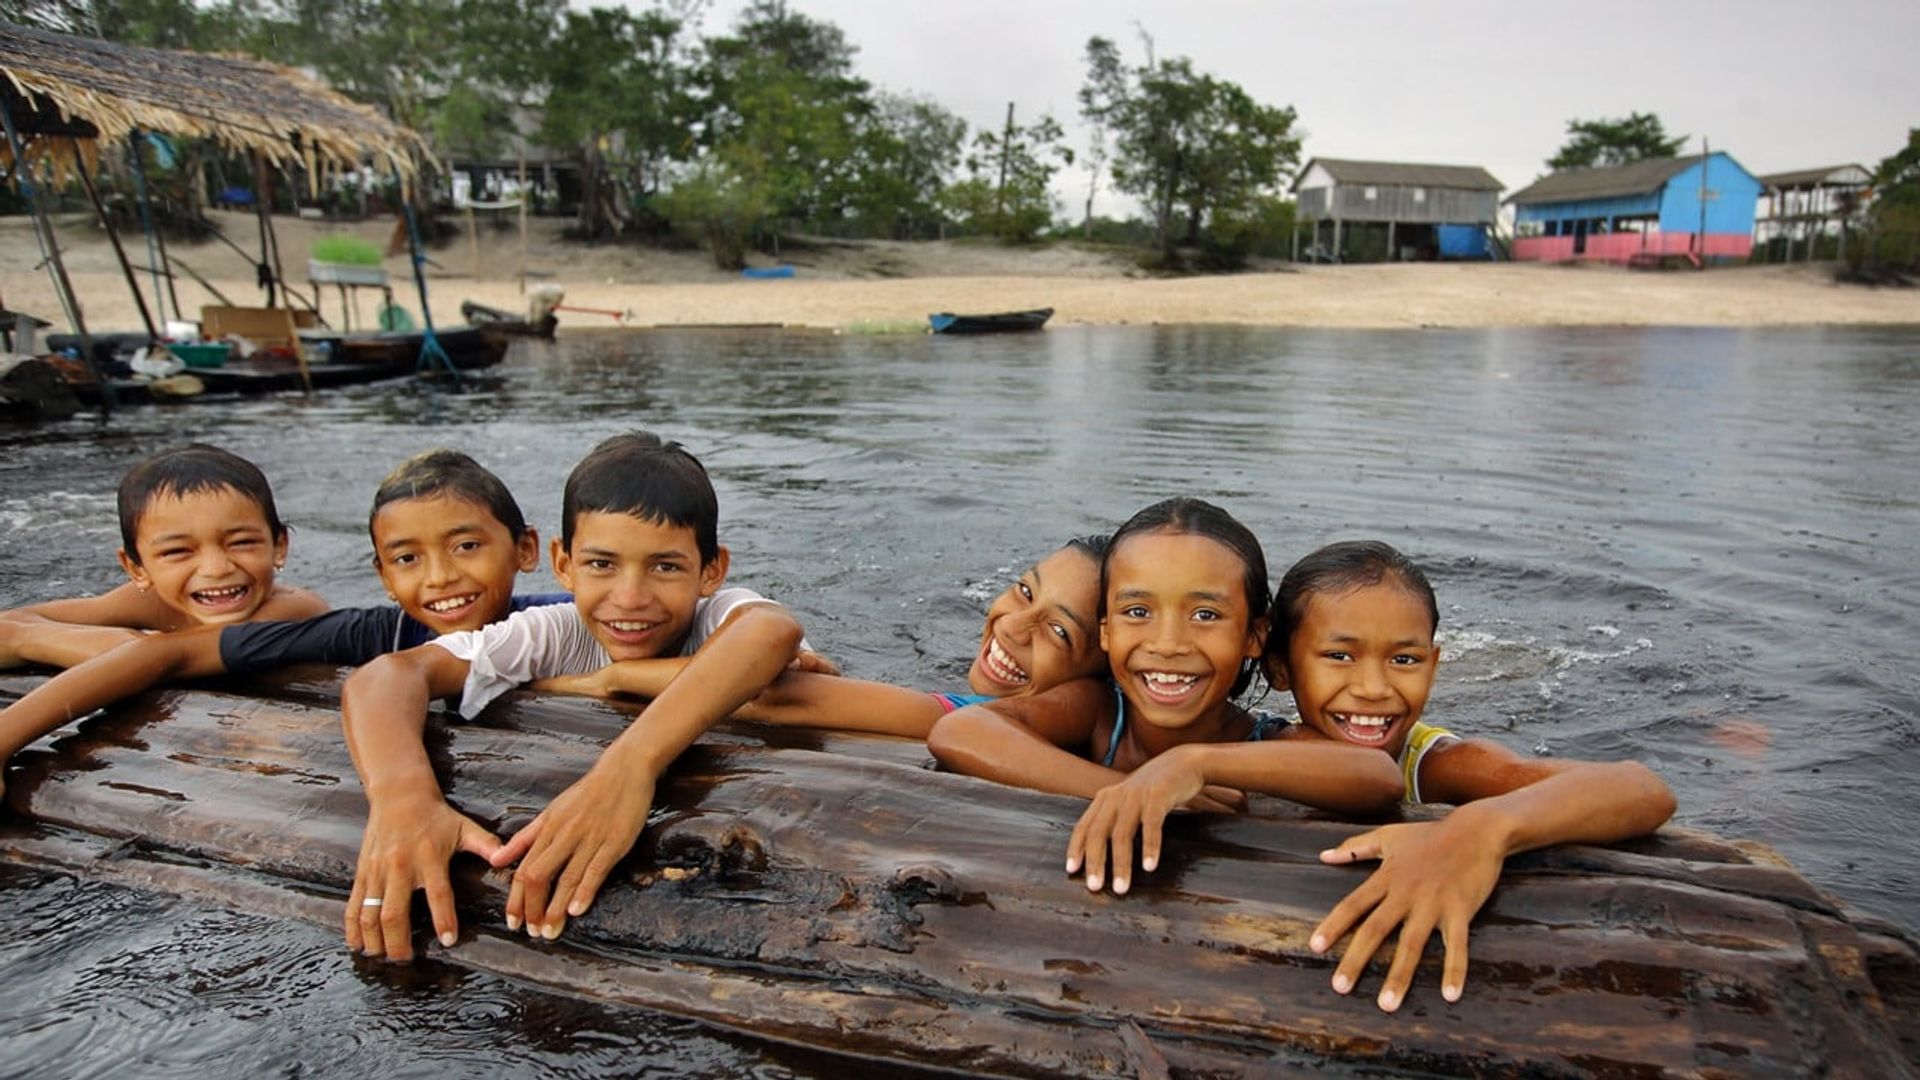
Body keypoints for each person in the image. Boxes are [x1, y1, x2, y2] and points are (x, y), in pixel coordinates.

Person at [1067, 539, 1676, 1013]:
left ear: (1435, 666)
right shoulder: (1266, 745)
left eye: (1405, 660)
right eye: (1339, 656)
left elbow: (1642, 788)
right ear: (1278, 666)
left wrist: (1483, 829)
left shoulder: (1431, 765)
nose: (1374, 689)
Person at [341, 431, 814, 961]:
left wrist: (628, 763)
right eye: (601, 564)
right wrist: (403, 798)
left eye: (665, 566)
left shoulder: (719, 615)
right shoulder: (555, 631)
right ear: (562, 564)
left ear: (712, 570)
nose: (630, 597)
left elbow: (770, 630)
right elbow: (384, 678)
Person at [0, 449, 568, 801]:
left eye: (466, 546)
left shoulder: (565, 622)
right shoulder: (373, 634)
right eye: (408, 559)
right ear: (384, 576)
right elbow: (161, 656)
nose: (441, 578)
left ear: (526, 550)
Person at [926, 498, 1403, 840]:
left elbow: (1377, 775)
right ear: (1106, 630)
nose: (1169, 644)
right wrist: (1126, 790)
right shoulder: (1099, 711)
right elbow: (962, 730)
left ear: (1255, 636)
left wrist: (1192, 764)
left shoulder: (1260, 742)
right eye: (1137, 612)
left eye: (1205, 615)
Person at [534, 535, 1113, 739]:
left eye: (1059, 631)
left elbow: (777, 695)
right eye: (1024, 591)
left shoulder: (984, 715)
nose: (1012, 626)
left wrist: (598, 680)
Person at [0, 443, 328, 670]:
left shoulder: (295, 609)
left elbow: (173, 658)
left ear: (279, 546)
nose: (216, 569)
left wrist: (28, 641)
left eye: (240, 543)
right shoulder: (151, 600)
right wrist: (21, 635)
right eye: (177, 551)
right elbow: (10, 624)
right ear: (137, 568)